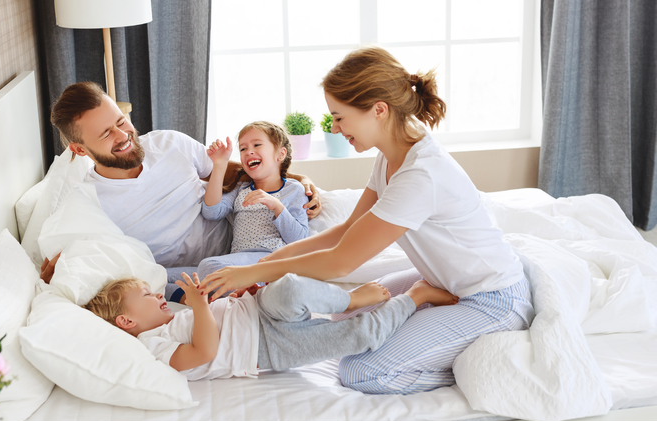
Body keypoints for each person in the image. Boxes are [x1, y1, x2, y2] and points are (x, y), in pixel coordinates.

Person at [201, 46, 535, 395]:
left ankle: (462, 367)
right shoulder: (393, 155)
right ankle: (424, 314)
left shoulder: (421, 173)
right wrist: (272, 261)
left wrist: (251, 272)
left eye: (340, 116)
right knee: (345, 316)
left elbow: (342, 262)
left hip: (490, 299)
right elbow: (346, 231)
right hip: (447, 282)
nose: (334, 126)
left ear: (379, 110)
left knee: (360, 372)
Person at [48, 82, 322, 303]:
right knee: (151, 283)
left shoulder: (169, 143)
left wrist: (295, 179)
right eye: (106, 134)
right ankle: (203, 296)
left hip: (239, 247)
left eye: (121, 121)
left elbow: (227, 171)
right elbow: (70, 265)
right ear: (80, 150)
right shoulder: (89, 202)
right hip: (184, 275)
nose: (122, 136)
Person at [83, 271, 459, 381]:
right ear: (126, 321)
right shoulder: (149, 350)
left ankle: (350, 298)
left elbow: (216, 318)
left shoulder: (170, 318)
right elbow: (205, 352)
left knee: (291, 287)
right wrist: (198, 307)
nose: (156, 295)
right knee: (360, 337)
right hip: (266, 351)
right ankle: (416, 296)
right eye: (147, 296)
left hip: (255, 309)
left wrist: (224, 298)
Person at [196, 121, 309, 294]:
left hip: (270, 260)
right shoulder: (241, 189)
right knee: (166, 277)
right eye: (242, 149)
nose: (249, 151)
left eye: (257, 144)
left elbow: (300, 240)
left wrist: (276, 206)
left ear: (280, 154)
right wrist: (219, 164)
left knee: (209, 266)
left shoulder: (293, 189)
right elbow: (210, 212)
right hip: (239, 260)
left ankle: (254, 290)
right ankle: (238, 293)